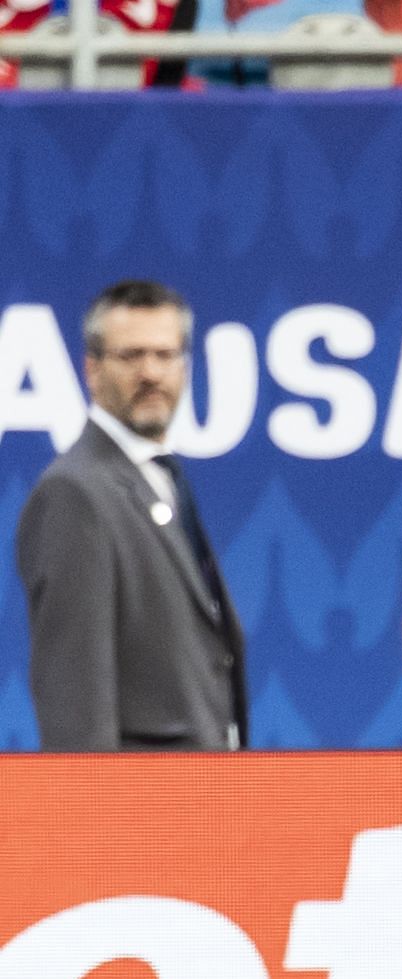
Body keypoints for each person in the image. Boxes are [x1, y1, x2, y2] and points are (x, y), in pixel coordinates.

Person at [14, 280, 248, 754]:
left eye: (166, 355)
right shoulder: (75, 492)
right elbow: (74, 692)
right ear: (92, 370)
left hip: (201, 793)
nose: (151, 373)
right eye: (131, 356)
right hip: (140, 808)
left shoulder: (162, 477)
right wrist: (96, 815)